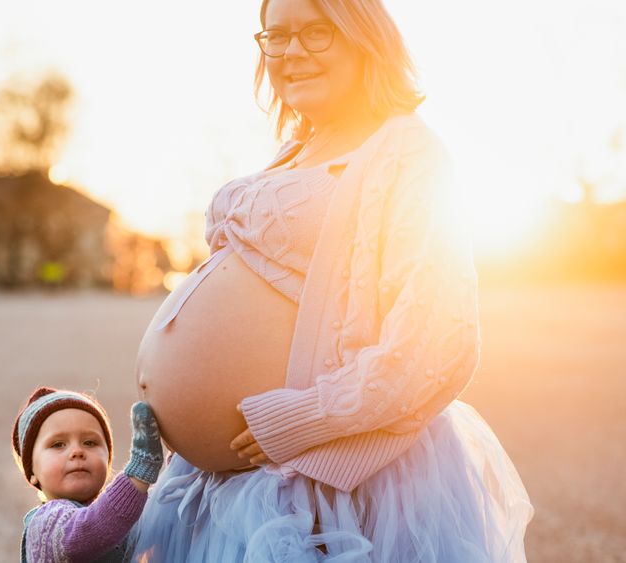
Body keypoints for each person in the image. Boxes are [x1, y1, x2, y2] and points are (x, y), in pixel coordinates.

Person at [130, 0, 533, 560]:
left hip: (323, 483)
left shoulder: (409, 153)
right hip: (237, 486)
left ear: (364, 38)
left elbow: (438, 342)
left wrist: (301, 420)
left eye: (316, 34)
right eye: (276, 36)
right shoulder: (298, 147)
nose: (292, 52)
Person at [11, 387, 164, 562]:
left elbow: (153, 526)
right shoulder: (46, 524)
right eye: (58, 444)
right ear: (32, 473)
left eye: (89, 442)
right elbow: (89, 531)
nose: (77, 451)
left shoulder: (117, 518)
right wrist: (140, 470)